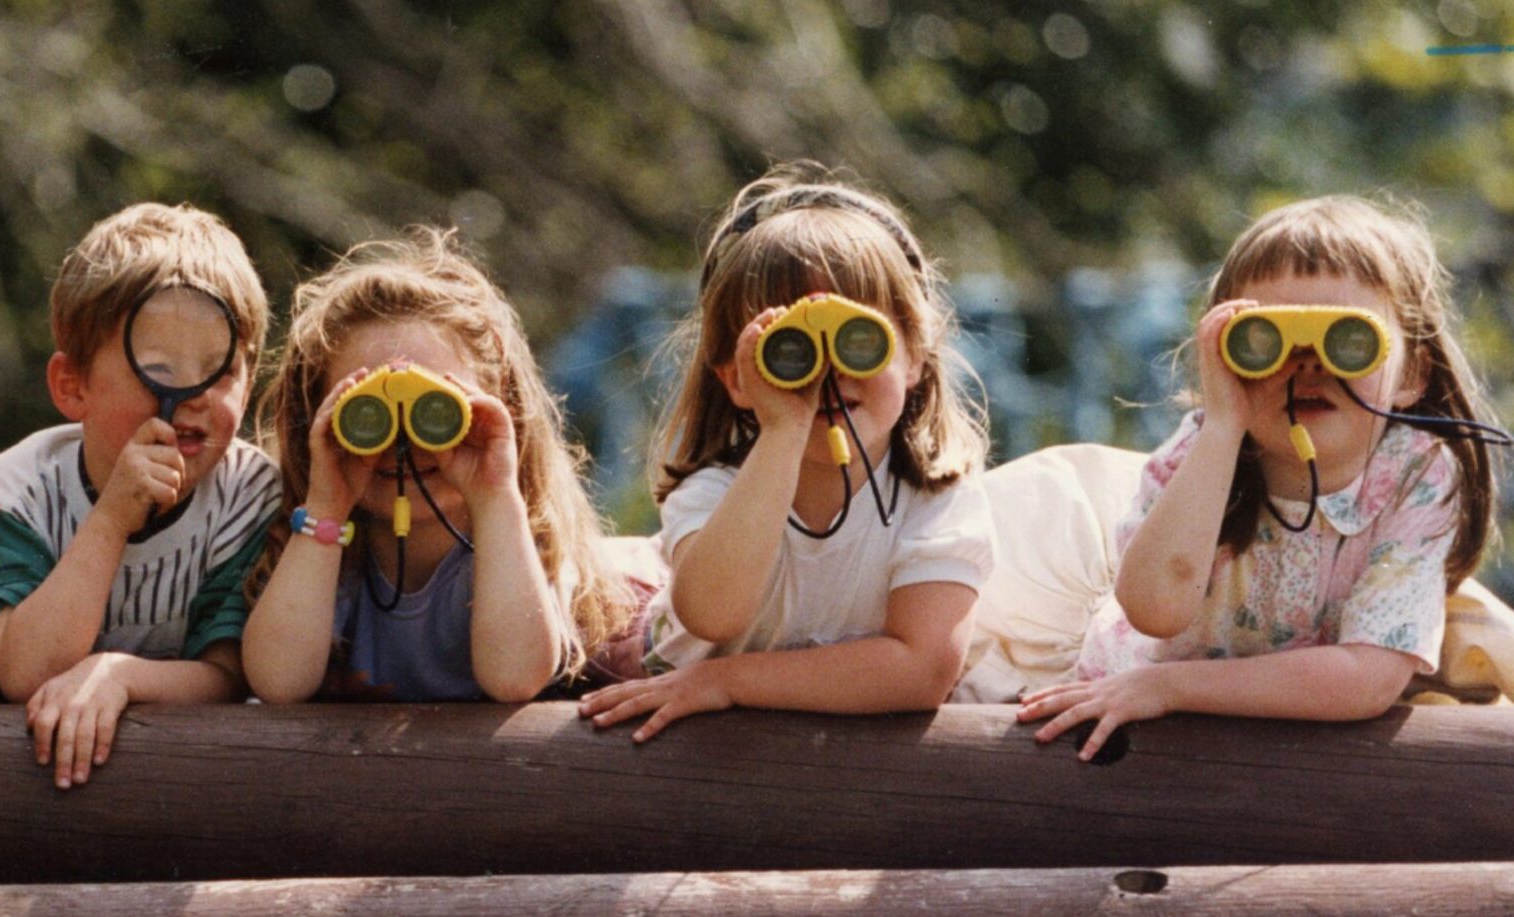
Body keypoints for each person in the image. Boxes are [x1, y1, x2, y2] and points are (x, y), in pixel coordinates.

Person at [1020, 195, 1504, 762]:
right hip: (1147, 713)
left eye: (1348, 340)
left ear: (1412, 372)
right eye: (1266, 340)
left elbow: (1370, 676)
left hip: (1237, 708)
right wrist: (1224, 427)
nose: (1307, 364)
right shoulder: (1204, 447)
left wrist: (1174, 689)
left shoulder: (1417, 472)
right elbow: (1153, 611)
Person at [577, 167, 993, 743]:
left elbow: (921, 670)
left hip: (729, 694)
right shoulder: (716, 492)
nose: (827, 368)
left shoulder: (940, 502)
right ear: (737, 378)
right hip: (655, 669)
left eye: (859, 340)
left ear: (917, 355)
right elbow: (714, 618)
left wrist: (726, 682)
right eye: (790, 349)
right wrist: (782, 430)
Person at [242, 228, 638, 705]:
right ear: (318, 423)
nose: (403, 443)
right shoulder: (328, 558)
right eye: (367, 414)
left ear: (501, 413)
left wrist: (494, 495)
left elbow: (515, 679)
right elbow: (277, 684)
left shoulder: (520, 549)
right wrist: (326, 504)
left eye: (438, 412)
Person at [0, 203, 280, 788]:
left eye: (221, 370)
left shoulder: (249, 492)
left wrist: (117, 675)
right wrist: (111, 518)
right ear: (72, 385)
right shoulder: (17, 489)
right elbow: (23, 672)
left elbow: (230, 675)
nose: (192, 396)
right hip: (26, 782)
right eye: (157, 368)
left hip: (194, 779)